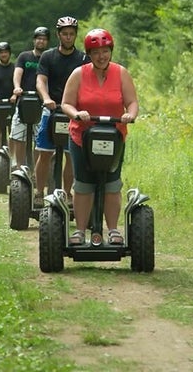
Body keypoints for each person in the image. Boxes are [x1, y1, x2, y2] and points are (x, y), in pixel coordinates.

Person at [61, 28, 138, 246]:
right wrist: (76, 113)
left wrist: (129, 115)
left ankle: (113, 230)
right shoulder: (79, 74)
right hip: (82, 136)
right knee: (84, 183)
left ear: (111, 51)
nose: (101, 56)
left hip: (114, 135)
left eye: (105, 51)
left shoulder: (121, 73)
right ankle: (80, 231)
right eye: (96, 52)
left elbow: (132, 102)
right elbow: (66, 103)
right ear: (89, 54)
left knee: (112, 183)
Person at [33, 16, 88, 207]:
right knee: (45, 154)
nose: (68, 37)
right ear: (58, 35)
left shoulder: (82, 58)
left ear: (75, 35)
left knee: (71, 155)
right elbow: (40, 80)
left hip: (73, 113)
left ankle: (67, 193)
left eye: (71, 34)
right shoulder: (48, 56)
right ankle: (39, 192)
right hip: (52, 110)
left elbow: (87, 84)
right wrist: (46, 98)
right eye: (64, 34)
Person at [10, 27, 50, 167]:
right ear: (34, 40)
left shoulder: (49, 57)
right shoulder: (24, 56)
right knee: (18, 136)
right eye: (39, 38)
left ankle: (34, 168)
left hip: (42, 103)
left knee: (38, 139)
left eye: (44, 39)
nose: (41, 41)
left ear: (47, 42)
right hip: (24, 100)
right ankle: (20, 167)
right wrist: (17, 87)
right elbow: (17, 74)